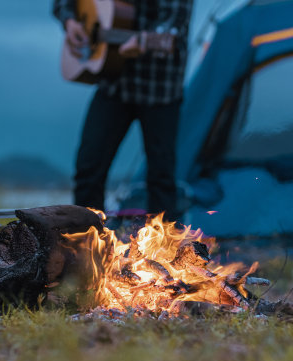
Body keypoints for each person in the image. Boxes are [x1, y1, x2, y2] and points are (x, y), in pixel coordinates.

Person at [53, 0, 193, 222]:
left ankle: (164, 251)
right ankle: (88, 245)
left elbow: (172, 28)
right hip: (114, 83)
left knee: (161, 178)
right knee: (88, 170)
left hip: (160, 89)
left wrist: (144, 41)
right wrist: (71, 21)